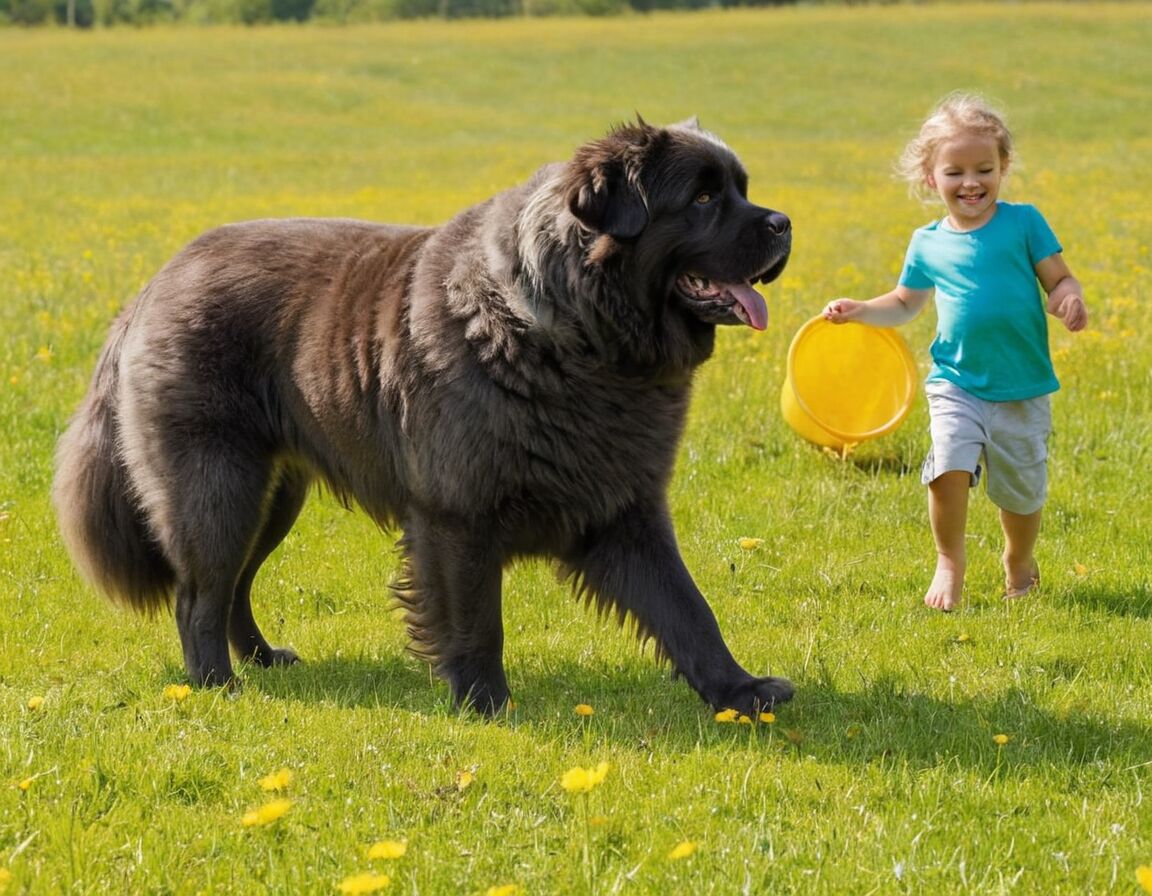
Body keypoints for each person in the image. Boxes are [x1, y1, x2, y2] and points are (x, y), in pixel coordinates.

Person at [823, 92, 1088, 612]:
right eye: (955, 172)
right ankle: (950, 560)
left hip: (1022, 385)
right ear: (931, 178)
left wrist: (1067, 299)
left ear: (1003, 167)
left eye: (984, 169)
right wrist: (859, 309)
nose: (971, 182)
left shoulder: (1024, 223)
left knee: (1021, 494)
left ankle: (1018, 561)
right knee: (947, 467)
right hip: (956, 381)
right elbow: (904, 303)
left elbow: (1059, 279)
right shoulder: (926, 242)